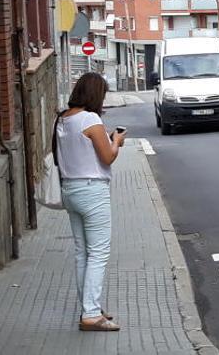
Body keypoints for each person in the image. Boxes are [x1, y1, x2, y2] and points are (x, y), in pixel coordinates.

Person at [54, 73, 126, 331]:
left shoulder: (63, 118)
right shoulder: (91, 119)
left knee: (82, 252)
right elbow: (107, 157)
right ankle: (91, 314)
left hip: (70, 190)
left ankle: (89, 306)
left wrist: (105, 138)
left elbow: (81, 148)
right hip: (92, 191)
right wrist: (116, 141)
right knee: (98, 253)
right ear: (96, 95)